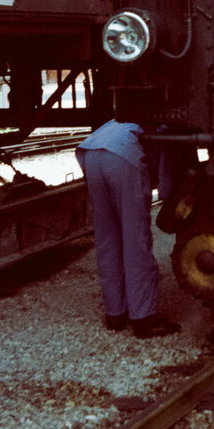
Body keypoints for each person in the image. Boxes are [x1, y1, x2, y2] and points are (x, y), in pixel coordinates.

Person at [76, 119, 181, 338]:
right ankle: (144, 318)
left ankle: (115, 314)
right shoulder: (171, 125)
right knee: (135, 241)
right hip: (122, 157)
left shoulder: (130, 116)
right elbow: (167, 186)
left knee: (107, 237)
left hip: (90, 153)